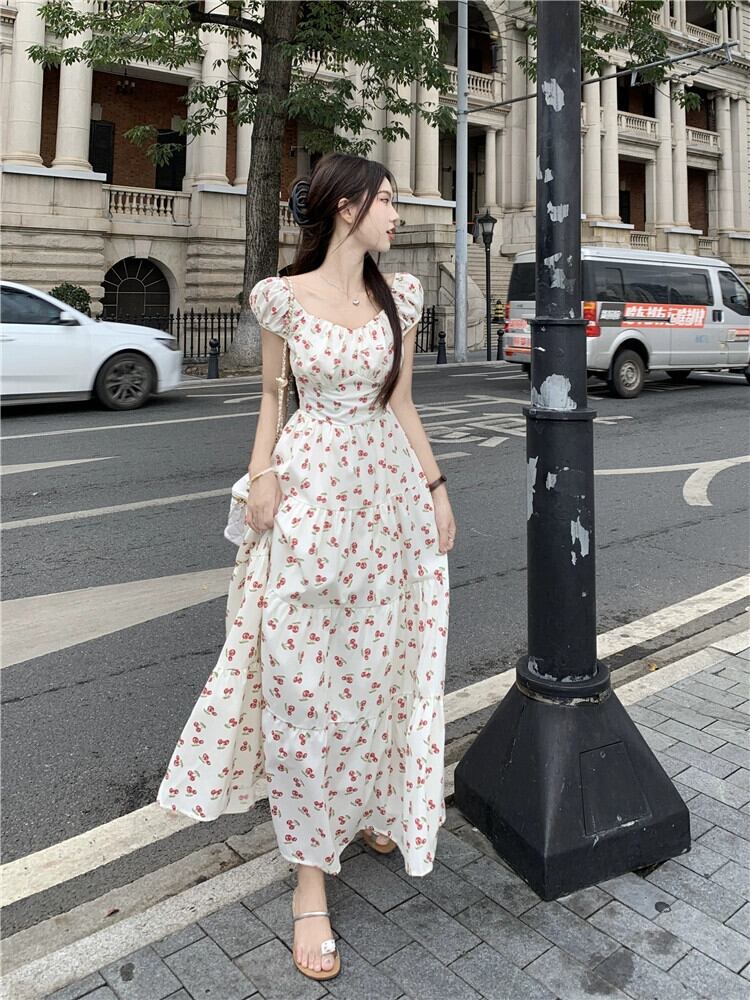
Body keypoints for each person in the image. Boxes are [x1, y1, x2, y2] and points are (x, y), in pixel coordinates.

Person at [159, 152, 455, 982]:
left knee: (378, 664)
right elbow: (272, 397)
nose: (397, 214)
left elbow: (401, 401)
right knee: (302, 682)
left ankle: (372, 803)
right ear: (346, 208)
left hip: (386, 496)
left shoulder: (401, 297)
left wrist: (436, 488)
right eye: (386, 201)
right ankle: (310, 882)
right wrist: (261, 476)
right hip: (312, 494)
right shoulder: (282, 298)